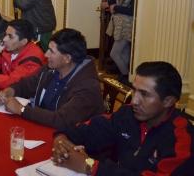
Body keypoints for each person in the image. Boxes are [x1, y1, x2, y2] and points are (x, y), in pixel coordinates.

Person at [52, 61, 194, 175]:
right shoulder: (128, 114)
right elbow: (87, 130)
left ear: (168, 101)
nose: (135, 101)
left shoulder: (182, 139)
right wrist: (61, 140)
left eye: (144, 94)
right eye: (134, 90)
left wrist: (90, 167)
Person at [0, 28, 104, 129]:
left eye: (51, 51)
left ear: (67, 58)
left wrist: (22, 109)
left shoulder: (88, 86)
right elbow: (26, 84)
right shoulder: (51, 69)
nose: (46, 55)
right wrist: (9, 92)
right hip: (42, 127)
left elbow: (62, 119)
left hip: (70, 141)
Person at [107, 0, 137, 84]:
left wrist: (116, 7)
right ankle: (126, 76)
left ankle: (126, 76)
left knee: (114, 53)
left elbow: (132, 10)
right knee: (123, 53)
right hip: (120, 24)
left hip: (127, 26)